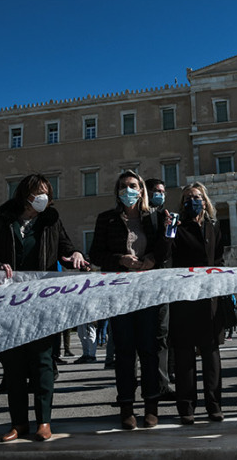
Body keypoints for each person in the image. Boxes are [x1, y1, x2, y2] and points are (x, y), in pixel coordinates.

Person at [0, 174, 90, 443]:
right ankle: (18, 423)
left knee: (42, 363)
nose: (44, 197)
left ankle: (44, 422)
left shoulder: (51, 221)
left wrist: (75, 255)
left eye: (47, 193)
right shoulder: (1, 221)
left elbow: (67, 248)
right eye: (39, 192)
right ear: (25, 194)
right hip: (10, 303)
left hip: (42, 302)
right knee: (14, 366)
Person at [89, 170, 168, 430]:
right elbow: (96, 254)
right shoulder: (107, 220)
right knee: (124, 352)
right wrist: (121, 259)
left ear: (142, 190)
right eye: (123, 186)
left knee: (148, 350)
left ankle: (151, 406)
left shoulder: (155, 219)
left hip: (148, 292)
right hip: (120, 292)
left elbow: (165, 250)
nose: (128, 190)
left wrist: (152, 259)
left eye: (133, 185)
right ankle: (126, 406)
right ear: (117, 191)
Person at [166, 182, 227, 424]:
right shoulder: (177, 227)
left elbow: (219, 257)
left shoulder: (213, 226)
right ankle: (187, 408)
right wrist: (169, 230)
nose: (194, 200)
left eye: (197, 196)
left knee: (211, 355)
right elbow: (167, 254)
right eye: (188, 197)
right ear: (182, 204)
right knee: (184, 357)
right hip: (184, 297)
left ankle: (214, 405)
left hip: (210, 297)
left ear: (205, 200)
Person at [145, 177, 176, 402]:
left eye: (163, 191)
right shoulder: (142, 218)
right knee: (153, 335)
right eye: (156, 191)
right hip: (146, 281)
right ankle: (158, 382)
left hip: (167, 280)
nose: (160, 195)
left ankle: (163, 381)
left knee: (164, 334)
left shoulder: (168, 217)